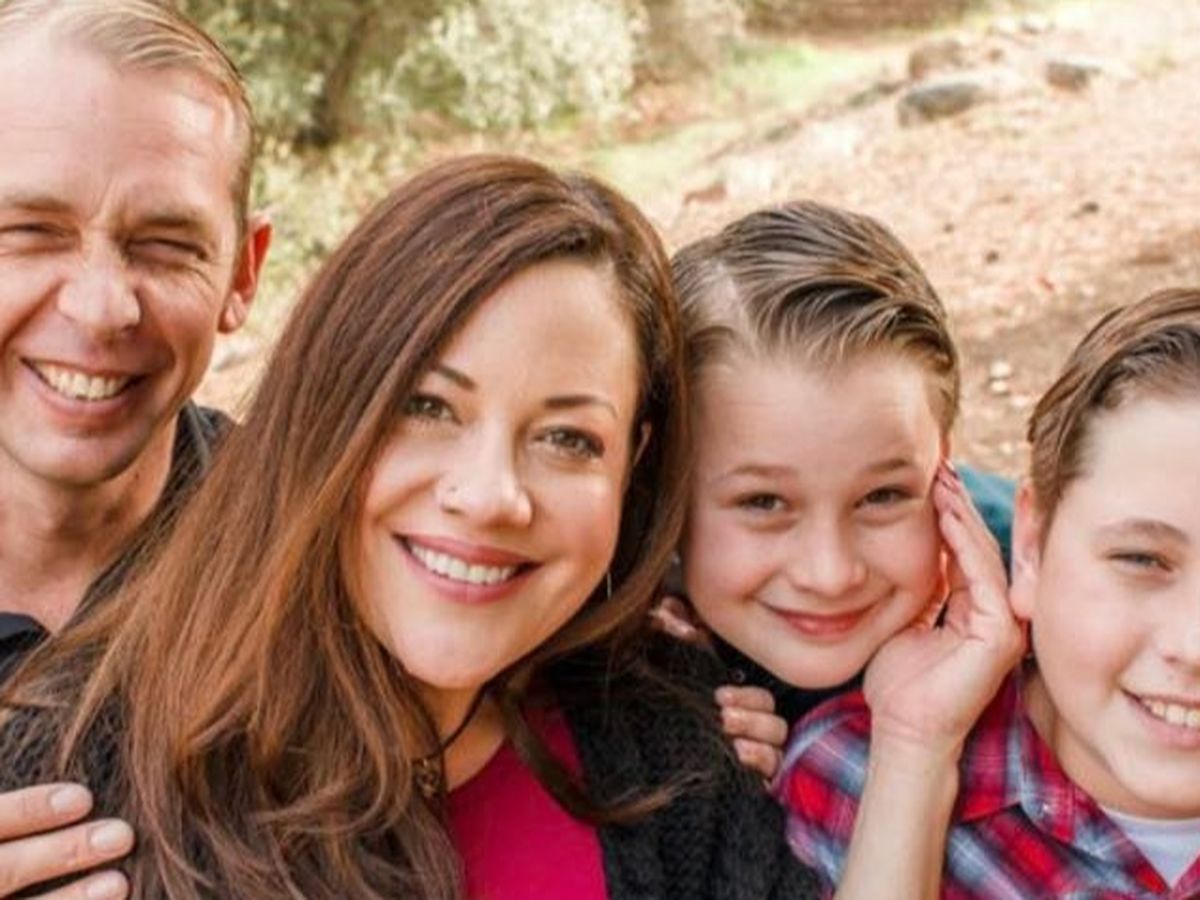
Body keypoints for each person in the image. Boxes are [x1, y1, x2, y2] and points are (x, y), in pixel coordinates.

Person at [778, 287, 1200, 897]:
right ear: (1030, 546)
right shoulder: (850, 781)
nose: (1192, 645)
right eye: (1141, 559)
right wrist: (915, 756)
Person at [0, 0, 270, 890]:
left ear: (243, 272)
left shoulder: (315, 562)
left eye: (165, 246)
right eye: (29, 232)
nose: (101, 308)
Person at [663, 200, 1017, 771]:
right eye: (763, 503)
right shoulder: (619, 640)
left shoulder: (1047, 589)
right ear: (664, 490)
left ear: (941, 464)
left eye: (882, 496)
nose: (829, 575)